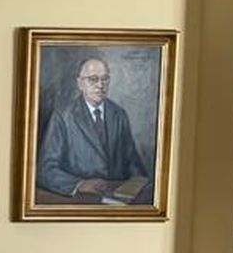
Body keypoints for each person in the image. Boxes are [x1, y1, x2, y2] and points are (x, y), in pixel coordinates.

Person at [37, 54, 150, 198]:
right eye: (93, 79)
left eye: (105, 79)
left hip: (115, 198)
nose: (100, 85)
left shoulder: (119, 114)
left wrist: (138, 188)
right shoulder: (63, 116)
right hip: (78, 199)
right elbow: (45, 170)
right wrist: (79, 184)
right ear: (80, 84)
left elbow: (133, 163)